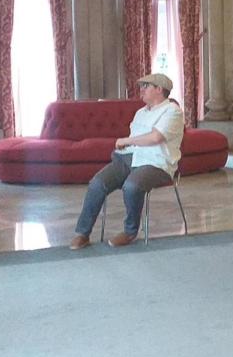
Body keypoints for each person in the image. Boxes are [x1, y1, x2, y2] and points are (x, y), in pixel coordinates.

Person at [69, 73, 184, 250]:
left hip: (156, 163)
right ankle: (82, 233)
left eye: (146, 86)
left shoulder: (172, 111)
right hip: (128, 158)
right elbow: (136, 140)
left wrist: (126, 141)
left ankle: (130, 232)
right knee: (97, 184)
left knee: (131, 186)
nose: (142, 90)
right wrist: (123, 148)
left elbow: (156, 137)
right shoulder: (140, 113)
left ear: (159, 89)